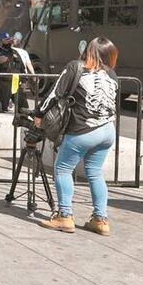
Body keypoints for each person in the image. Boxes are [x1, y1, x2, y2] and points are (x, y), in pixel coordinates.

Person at [37, 37, 119, 236]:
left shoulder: (76, 67)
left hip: (83, 130)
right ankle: (100, 219)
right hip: (108, 130)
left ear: (88, 50)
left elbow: (54, 94)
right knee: (95, 173)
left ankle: (64, 216)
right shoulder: (112, 74)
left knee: (63, 169)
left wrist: (38, 115)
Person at [0, 32, 26, 113]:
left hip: (16, 83)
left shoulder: (14, 52)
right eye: (7, 40)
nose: (9, 42)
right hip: (3, 84)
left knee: (23, 107)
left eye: (10, 39)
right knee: (2, 109)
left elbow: (22, 68)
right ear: (1, 41)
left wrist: (24, 81)